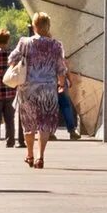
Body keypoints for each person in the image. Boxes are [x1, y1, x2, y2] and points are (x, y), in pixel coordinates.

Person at [9, 12, 68, 168]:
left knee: (29, 124)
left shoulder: (24, 42)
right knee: (45, 123)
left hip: (27, 89)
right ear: (48, 26)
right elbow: (61, 68)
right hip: (48, 89)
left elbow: (11, 59)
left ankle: (29, 154)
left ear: (34, 26)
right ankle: (40, 157)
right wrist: (61, 84)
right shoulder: (56, 45)